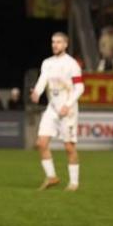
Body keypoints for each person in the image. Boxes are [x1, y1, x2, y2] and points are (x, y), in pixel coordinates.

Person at [31, 32, 85, 191]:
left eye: (59, 42)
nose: (55, 45)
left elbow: (80, 87)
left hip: (67, 110)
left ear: (66, 44)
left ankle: (74, 183)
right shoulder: (47, 62)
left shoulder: (72, 64)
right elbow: (43, 79)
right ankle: (52, 177)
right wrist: (37, 92)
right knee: (41, 143)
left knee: (69, 147)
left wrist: (68, 104)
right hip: (52, 108)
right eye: (53, 42)